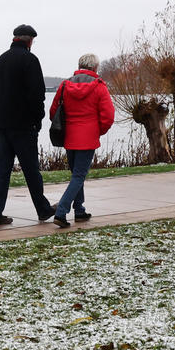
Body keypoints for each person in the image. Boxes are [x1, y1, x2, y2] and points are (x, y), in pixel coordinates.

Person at [0, 24, 54, 226]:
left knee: (3, 170)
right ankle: (42, 209)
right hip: (24, 126)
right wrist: (37, 118)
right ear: (30, 41)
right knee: (31, 169)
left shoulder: (0, 60)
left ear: (15, 38)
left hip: (3, 125)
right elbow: (36, 94)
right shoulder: (30, 60)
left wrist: (1, 112)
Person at [46, 53, 115, 228]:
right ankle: (61, 212)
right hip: (88, 137)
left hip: (69, 137)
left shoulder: (64, 85)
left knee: (76, 174)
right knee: (79, 175)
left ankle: (79, 209)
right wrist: (98, 130)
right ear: (95, 68)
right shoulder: (99, 86)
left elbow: (54, 112)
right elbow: (108, 115)